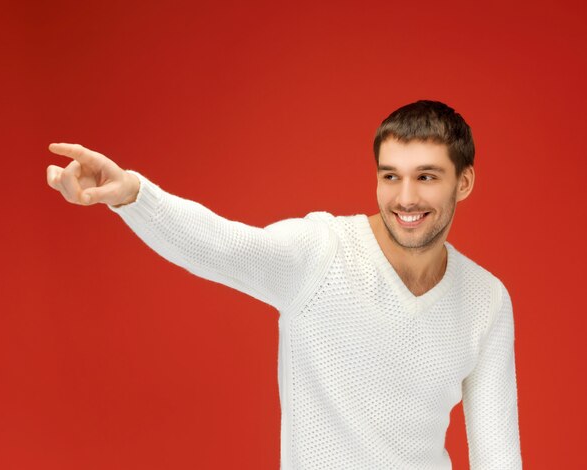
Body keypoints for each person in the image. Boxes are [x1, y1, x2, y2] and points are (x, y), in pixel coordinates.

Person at [46, 100, 522, 469]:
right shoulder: (322, 252)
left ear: (464, 182)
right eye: (390, 176)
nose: (405, 197)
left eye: (427, 177)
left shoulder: (486, 300)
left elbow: (498, 455)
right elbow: (220, 245)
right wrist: (134, 195)